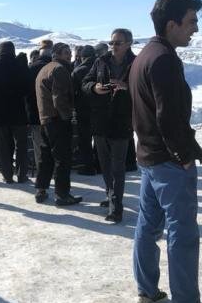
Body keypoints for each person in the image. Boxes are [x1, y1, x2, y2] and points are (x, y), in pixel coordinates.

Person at [130, 0, 202, 303]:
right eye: (191, 21)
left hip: (149, 157)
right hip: (168, 162)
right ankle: (185, 302)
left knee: (148, 226)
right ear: (172, 24)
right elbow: (167, 115)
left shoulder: (145, 55)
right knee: (182, 231)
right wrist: (183, 155)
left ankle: (147, 289)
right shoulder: (164, 59)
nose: (195, 29)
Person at [83, 30, 137, 223]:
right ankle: (110, 194)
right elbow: (85, 82)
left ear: (129, 43)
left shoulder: (136, 63)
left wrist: (126, 87)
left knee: (118, 167)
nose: (113, 46)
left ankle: (116, 207)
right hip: (100, 121)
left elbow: (146, 89)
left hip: (121, 121)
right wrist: (94, 88)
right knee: (104, 164)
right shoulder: (101, 61)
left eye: (118, 43)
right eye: (111, 42)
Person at [35, 43, 83, 205]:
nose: (70, 55)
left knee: (46, 156)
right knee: (62, 158)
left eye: (69, 52)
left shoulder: (44, 69)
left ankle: (41, 189)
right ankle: (62, 195)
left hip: (45, 119)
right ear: (56, 54)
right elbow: (59, 98)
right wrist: (67, 117)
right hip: (57, 120)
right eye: (66, 52)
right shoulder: (59, 69)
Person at [0, 41, 30, 183]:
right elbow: (27, 89)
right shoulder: (20, 66)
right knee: (21, 145)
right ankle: (22, 174)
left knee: (2, 147)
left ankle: (7, 175)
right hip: (18, 112)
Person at [27, 47, 53, 203]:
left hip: (35, 114)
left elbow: (25, 92)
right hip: (53, 115)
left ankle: (41, 181)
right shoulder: (55, 68)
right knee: (54, 148)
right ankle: (55, 178)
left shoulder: (31, 68)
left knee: (39, 149)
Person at [71, 44, 97, 176]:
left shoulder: (78, 71)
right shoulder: (102, 67)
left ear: (82, 57)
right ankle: (100, 164)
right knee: (100, 139)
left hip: (83, 109)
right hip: (100, 109)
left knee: (85, 139)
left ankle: (88, 167)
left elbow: (72, 92)